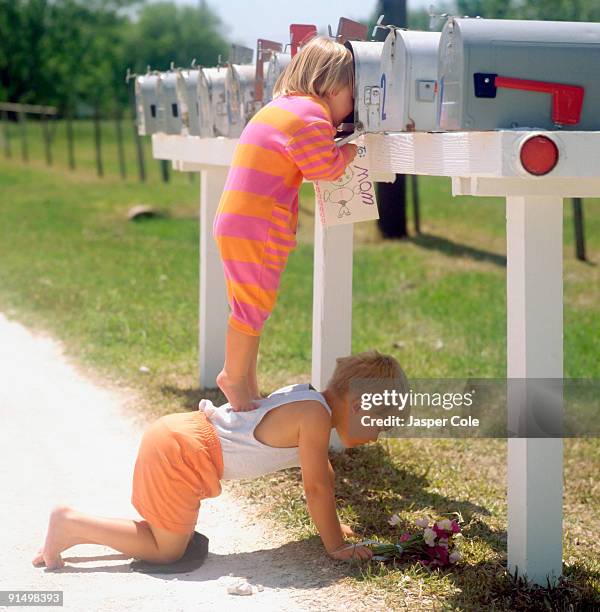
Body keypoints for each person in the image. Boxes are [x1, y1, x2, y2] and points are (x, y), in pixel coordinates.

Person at [32, 351, 408, 570]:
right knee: (167, 551)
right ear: (361, 405)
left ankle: (74, 527)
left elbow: (319, 478)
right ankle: (70, 525)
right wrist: (336, 548)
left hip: (179, 439)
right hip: (183, 454)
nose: (378, 437)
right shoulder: (315, 417)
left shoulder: (307, 399)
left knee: (164, 537)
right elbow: (317, 486)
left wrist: (339, 533)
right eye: (383, 425)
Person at [214, 36, 358, 411]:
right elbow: (324, 168)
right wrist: (352, 149)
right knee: (252, 307)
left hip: (237, 220)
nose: (353, 108)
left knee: (248, 307)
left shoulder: (281, 108)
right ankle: (233, 378)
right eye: (353, 97)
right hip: (258, 226)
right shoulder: (312, 117)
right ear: (331, 85)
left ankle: (246, 384)